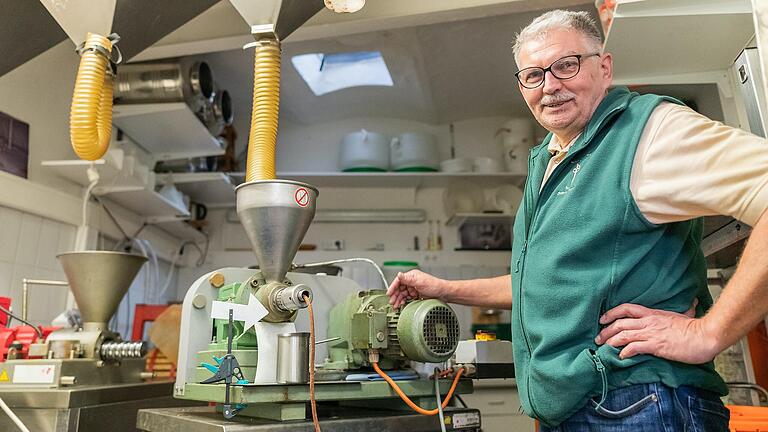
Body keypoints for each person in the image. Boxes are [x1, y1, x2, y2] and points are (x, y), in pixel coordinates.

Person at [387, 9, 768, 431]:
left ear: (604, 68)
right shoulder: (550, 159)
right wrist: (442, 288)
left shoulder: (648, 132)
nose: (550, 86)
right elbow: (543, 283)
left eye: (566, 65)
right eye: (533, 75)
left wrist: (709, 333)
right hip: (580, 408)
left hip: (639, 403)